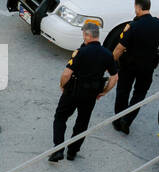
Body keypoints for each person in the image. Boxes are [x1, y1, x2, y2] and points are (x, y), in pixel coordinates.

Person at [50, 21, 117, 162]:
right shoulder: (107, 54)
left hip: (72, 91)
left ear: (87, 36)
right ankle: (72, 152)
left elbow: (66, 74)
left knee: (61, 117)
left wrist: (62, 85)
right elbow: (114, 77)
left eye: (83, 35)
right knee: (82, 122)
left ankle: (58, 149)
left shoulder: (81, 52)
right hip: (91, 94)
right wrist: (104, 92)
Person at [109, 0, 159, 134]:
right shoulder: (158, 24)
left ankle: (118, 121)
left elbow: (119, 49)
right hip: (148, 67)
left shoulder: (133, 27)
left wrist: (110, 64)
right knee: (139, 95)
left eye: (135, 7)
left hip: (129, 66)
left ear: (138, 7)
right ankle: (127, 121)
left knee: (123, 92)